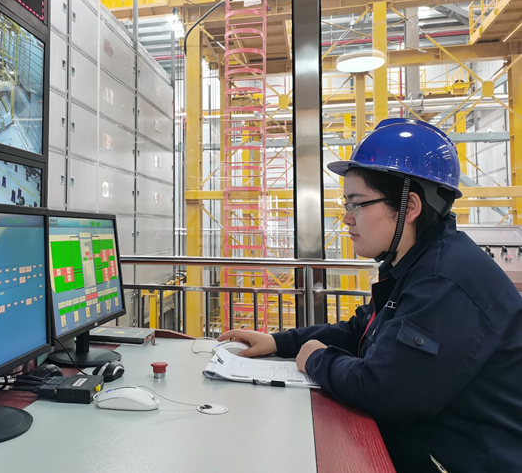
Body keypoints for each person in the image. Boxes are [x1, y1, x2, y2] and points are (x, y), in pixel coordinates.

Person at [219, 118, 522, 472]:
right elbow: (360, 331)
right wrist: (277, 341)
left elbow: (385, 390)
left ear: (410, 207)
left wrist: (317, 359)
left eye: (357, 204)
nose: (346, 218)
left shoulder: (446, 281)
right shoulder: (413, 265)